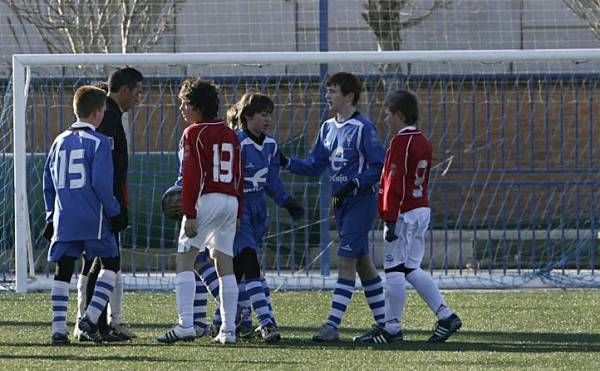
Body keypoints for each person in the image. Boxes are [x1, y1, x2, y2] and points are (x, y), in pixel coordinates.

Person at [281, 72, 386, 342]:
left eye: (333, 91)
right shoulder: (327, 128)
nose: (327, 96)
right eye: (326, 90)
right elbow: (315, 165)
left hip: (360, 202)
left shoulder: (363, 128)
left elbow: (379, 166)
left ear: (349, 96)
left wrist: (355, 184)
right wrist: (285, 162)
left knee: (346, 259)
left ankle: (332, 325)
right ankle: (387, 323)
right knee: (363, 263)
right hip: (341, 204)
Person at [356, 89, 462, 344]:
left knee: (393, 270)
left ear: (400, 115)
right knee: (411, 268)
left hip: (403, 213)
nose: (385, 119)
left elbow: (394, 182)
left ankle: (391, 328)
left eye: (388, 114)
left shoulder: (401, 142)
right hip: (420, 208)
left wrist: (389, 218)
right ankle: (446, 315)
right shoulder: (423, 140)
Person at [157, 78, 243, 345]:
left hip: (205, 200)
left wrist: (190, 211)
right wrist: (238, 214)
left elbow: (193, 175)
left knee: (185, 258)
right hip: (230, 201)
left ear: (196, 106)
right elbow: (240, 174)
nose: (182, 108)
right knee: (223, 261)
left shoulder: (193, 133)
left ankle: (185, 324)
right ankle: (228, 330)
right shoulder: (230, 133)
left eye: (184, 103)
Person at [44, 85, 122, 345]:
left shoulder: (58, 141)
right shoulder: (98, 142)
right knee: (111, 262)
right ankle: (89, 318)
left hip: (64, 217)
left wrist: (49, 215)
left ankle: (58, 331)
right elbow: (101, 184)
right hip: (93, 218)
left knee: (63, 269)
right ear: (98, 113)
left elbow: (48, 182)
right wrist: (114, 212)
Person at [74, 68, 143, 342]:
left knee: (99, 262)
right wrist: (113, 206)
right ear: (124, 90)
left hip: (100, 201)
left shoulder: (112, 115)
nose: (139, 98)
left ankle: (97, 325)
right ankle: (92, 325)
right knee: (101, 262)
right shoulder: (108, 117)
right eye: (137, 92)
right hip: (101, 203)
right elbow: (101, 167)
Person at [230, 93, 304, 343]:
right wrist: (235, 210)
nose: (268, 119)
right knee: (251, 264)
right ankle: (266, 322)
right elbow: (232, 181)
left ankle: (229, 320)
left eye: (269, 114)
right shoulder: (237, 143)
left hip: (259, 210)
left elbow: (272, 180)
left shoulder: (271, 145)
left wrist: (287, 201)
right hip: (239, 211)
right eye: (262, 114)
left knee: (240, 269)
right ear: (247, 116)